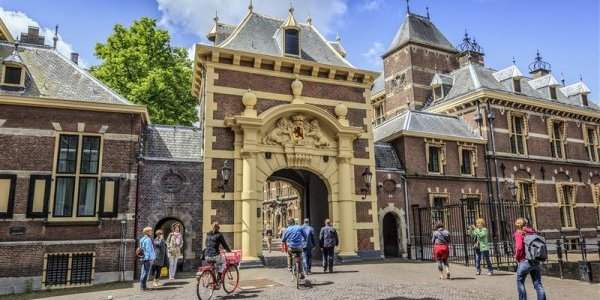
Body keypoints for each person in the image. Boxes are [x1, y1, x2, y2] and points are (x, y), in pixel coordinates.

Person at [514, 218, 546, 300]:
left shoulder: (519, 233)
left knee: (520, 282)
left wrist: (517, 257)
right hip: (535, 260)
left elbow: (519, 248)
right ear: (526, 224)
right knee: (538, 284)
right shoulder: (532, 232)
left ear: (517, 225)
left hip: (524, 261)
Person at [139, 226, 156, 291]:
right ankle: (143, 287)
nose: (151, 232)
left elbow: (142, 249)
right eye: (150, 231)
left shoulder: (142, 239)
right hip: (148, 258)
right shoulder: (148, 239)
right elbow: (149, 250)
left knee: (143, 272)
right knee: (146, 272)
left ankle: (142, 286)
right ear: (147, 232)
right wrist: (151, 258)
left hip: (143, 257)